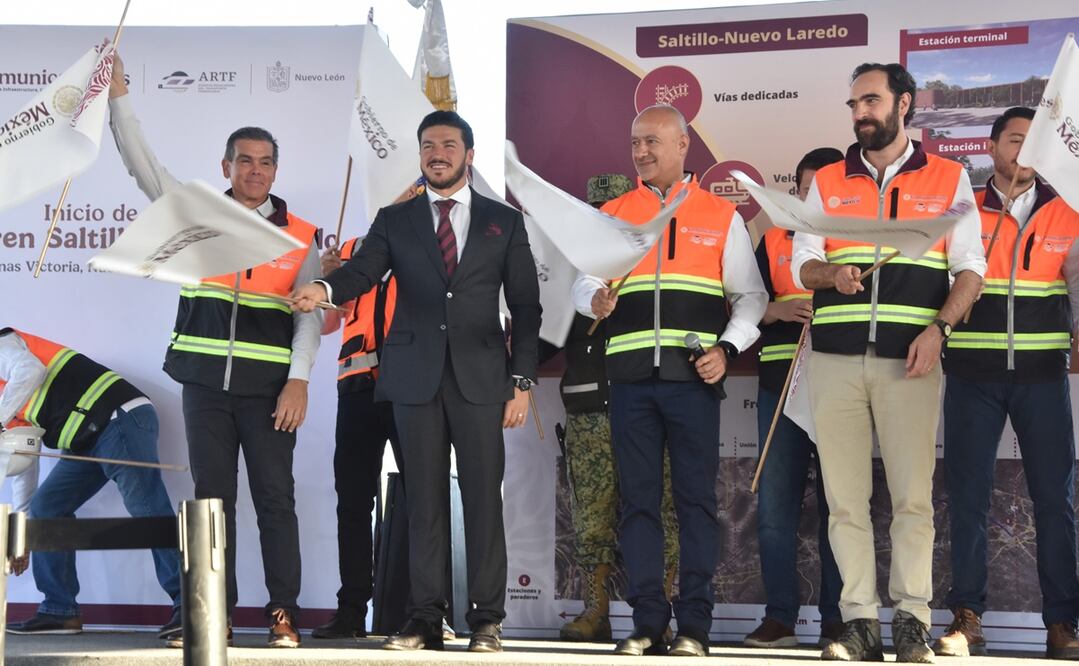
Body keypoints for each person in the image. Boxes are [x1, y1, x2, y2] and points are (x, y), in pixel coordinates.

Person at [291, 110, 541, 654]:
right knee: (423, 501)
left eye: (449, 144)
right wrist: (324, 287)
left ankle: (487, 621)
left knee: (481, 501)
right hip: (412, 377)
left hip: (481, 378)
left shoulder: (505, 221)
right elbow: (363, 272)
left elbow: (525, 307)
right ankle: (425, 618)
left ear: (468, 155)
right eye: (428, 144)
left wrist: (521, 381)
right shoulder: (395, 218)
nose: (437, 153)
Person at [107, 55, 320, 648]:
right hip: (204, 385)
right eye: (244, 160)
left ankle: (284, 614)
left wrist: (298, 380)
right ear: (225, 166)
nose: (255, 170)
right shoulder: (197, 211)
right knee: (211, 505)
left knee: (277, 501)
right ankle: (212, 616)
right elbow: (142, 166)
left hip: (271, 392)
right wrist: (120, 97)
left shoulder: (302, 235)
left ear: (277, 170)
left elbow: (308, 322)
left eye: (265, 162)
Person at [791, 62, 985, 662]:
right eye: (853, 104)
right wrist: (831, 273)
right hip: (834, 359)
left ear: (905, 105)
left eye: (870, 101)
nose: (859, 114)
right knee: (844, 500)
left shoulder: (950, 176)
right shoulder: (827, 179)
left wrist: (940, 328)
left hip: (913, 362)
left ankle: (910, 620)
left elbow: (970, 270)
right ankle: (858, 624)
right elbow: (802, 262)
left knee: (912, 500)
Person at [573, 104, 767, 657]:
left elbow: (751, 298)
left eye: (653, 142)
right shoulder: (612, 213)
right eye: (635, 142)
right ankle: (647, 622)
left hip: (692, 382)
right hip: (630, 382)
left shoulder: (719, 215)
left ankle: (695, 627)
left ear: (684, 145)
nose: (641, 152)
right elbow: (581, 285)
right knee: (637, 504)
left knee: (695, 503)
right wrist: (595, 297)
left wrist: (727, 349)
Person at [936, 106, 1079, 660]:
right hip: (971, 373)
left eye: (1032, 142)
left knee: (1054, 499)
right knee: (967, 499)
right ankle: (966, 619)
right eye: (1014, 140)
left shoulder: (1066, 209)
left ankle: (1063, 623)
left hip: (1043, 376)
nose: (1022, 151)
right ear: (992, 146)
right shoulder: (961, 206)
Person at [558, 173, 680, 643]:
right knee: (594, 512)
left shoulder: (658, 259)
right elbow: (545, 331)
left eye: (614, 212)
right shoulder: (571, 265)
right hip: (589, 402)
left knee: (661, 507)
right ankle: (596, 609)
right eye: (598, 213)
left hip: (649, 397)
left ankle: (660, 614)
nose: (606, 220)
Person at [0, 329, 182, 641]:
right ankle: (59, 611)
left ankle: (193, 606)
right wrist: (24, 531)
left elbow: (31, 370)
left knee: (148, 509)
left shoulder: (3, 342)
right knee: (47, 508)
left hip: (119, 418)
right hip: (88, 437)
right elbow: (23, 454)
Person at [744, 147, 844, 650]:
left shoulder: (855, 236)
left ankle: (838, 619)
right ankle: (780, 615)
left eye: (820, 187)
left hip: (840, 384)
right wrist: (780, 310)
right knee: (775, 505)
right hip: (779, 384)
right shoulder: (773, 239)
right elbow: (743, 307)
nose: (811, 196)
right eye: (804, 188)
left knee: (839, 507)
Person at [311, 235, 401, 639]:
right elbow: (329, 324)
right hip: (356, 384)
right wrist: (330, 279)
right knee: (352, 503)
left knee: (424, 500)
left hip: (411, 386)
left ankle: (428, 609)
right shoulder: (349, 249)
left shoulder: (429, 239)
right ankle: (351, 610)